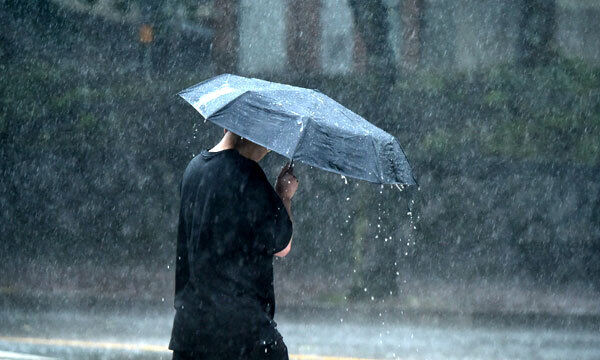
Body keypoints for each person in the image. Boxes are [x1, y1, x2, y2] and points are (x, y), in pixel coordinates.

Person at [169, 128, 298, 360]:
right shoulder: (247, 174)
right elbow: (282, 245)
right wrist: (284, 195)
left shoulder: (194, 169)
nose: (266, 151)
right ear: (250, 133)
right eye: (266, 145)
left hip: (190, 330)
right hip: (242, 332)